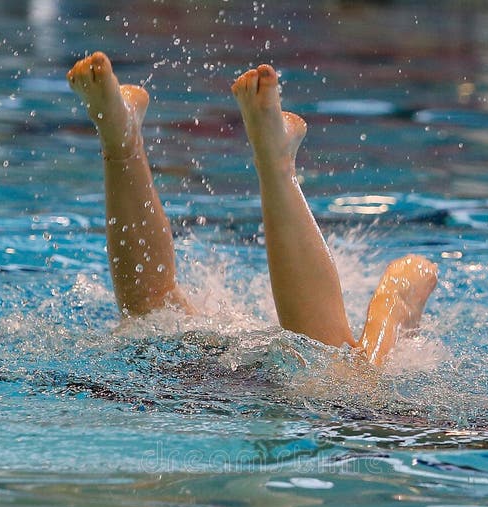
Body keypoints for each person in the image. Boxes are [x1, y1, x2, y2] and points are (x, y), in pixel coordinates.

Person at [67, 52, 437, 366]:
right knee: (333, 373)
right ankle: (395, 300)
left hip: (207, 378)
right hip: (232, 382)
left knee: (150, 315)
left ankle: (123, 143)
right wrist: (399, 294)